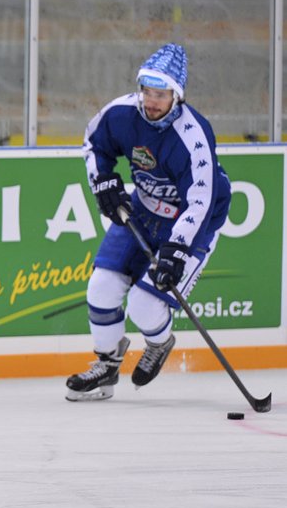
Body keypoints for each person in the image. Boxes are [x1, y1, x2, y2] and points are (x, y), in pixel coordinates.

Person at [65, 43, 231, 402]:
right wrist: (103, 181)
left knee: (145, 305)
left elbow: (200, 201)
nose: (151, 101)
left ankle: (159, 343)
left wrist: (177, 249)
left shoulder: (194, 136)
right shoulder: (123, 113)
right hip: (143, 209)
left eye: (161, 93)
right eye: (147, 91)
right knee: (101, 289)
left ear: (177, 95)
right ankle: (107, 366)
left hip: (192, 221)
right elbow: (94, 144)